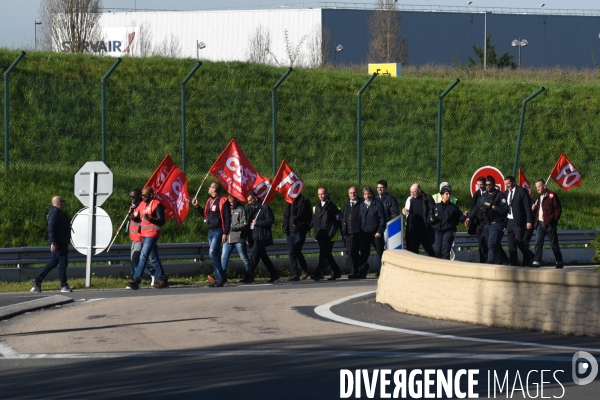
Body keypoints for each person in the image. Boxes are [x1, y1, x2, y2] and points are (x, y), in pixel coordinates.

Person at [126, 187, 169, 289]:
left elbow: (161, 221)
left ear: (151, 195)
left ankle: (136, 280)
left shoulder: (157, 205)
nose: (142, 197)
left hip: (152, 234)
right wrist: (134, 218)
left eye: (144, 195)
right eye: (142, 195)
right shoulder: (142, 204)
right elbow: (140, 218)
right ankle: (163, 279)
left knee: (143, 256)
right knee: (154, 259)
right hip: (144, 235)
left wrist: (149, 218)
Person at [192, 182, 231, 287]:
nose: (209, 188)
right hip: (210, 230)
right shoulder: (209, 200)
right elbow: (206, 215)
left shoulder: (223, 201)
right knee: (216, 254)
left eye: (210, 186)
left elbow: (227, 218)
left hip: (218, 230)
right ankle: (219, 277)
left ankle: (220, 277)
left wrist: (225, 232)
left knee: (212, 253)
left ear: (215, 189)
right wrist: (197, 207)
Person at [31, 196, 72, 293]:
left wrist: (67, 241)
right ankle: (64, 286)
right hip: (59, 244)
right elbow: (51, 229)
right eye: (63, 201)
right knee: (63, 264)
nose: (64, 203)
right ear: (58, 203)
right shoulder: (55, 213)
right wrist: (53, 242)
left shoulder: (58, 213)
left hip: (62, 242)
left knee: (53, 263)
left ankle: (37, 280)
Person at [465, 176, 509, 265]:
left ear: (493, 185)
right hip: (486, 224)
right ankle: (498, 262)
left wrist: (495, 208)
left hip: (496, 223)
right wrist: (469, 218)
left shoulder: (500, 195)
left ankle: (490, 262)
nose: (488, 186)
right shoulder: (483, 196)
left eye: (490, 185)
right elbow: (476, 209)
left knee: (491, 243)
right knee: (491, 245)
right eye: (486, 185)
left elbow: (505, 209)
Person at [241, 191, 280, 283]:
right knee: (264, 257)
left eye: (250, 200)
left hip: (262, 237)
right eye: (248, 201)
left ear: (255, 198)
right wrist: (247, 237)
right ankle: (274, 274)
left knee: (253, 256)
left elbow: (270, 220)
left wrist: (258, 223)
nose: (249, 202)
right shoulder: (249, 208)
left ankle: (249, 276)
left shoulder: (264, 207)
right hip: (253, 236)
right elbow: (248, 224)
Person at [126, 188, 156, 289]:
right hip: (133, 237)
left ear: (139, 196)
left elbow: (143, 219)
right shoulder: (132, 207)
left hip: (140, 237)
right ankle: (134, 279)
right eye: (130, 197)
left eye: (133, 197)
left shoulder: (142, 206)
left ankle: (139, 279)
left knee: (136, 259)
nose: (131, 198)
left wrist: (136, 219)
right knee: (133, 260)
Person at [532, 179, 564, 268]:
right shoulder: (538, 197)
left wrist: (554, 220)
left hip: (549, 223)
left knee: (554, 244)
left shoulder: (552, 195)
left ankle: (559, 261)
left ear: (544, 186)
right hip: (540, 223)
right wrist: (533, 209)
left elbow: (558, 209)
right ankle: (536, 261)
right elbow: (536, 210)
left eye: (539, 187)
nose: (537, 189)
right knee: (538, 243)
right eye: (536, 187)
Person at [312, 187, 341, 281]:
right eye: (319, 194)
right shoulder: (317, 206)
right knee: (327, 254)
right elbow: (315, 221)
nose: (321, 196)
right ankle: (337, 271)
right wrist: (315, 232)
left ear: (327, 194)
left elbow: (336, 222)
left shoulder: (332, 206)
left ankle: (317, 273)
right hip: (320, 234)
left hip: (327, 235)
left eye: (323, 194)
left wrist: (330, 234)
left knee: (323, 255)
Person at [504, 176, 534, 267]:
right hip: (509, 221)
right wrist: (504, 224)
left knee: (519, 241)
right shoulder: (506, 193)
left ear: (513, 182)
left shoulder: (521, 191)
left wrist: (529, 221)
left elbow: (527, 207)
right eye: (505, 184)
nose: (507, 186)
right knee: (511, 244)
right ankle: (514, 264)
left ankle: (530, 256)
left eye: (508, 183)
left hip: (519, 221)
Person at [220, 194, 251, 285]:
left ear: (236, 201)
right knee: (224, 258)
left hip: (238, 238)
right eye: (229, 203)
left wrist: (233, 227)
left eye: (232, 202)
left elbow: (245, 224)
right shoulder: (226, 210)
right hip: (228, 239)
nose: (230, 204)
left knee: (244, 258)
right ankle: (221, 277)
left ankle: (249, 275)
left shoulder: (241, 210)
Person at [283, 192, 313, 281]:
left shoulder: (304, 202)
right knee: (291, 252)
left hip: (299, 231)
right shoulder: (288, 201)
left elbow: (309, 217)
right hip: (289, 230)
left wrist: (303, 226)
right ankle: (295, 274)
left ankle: (304, 269)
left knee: (297, 250)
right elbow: (286, 216)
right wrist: (285, 226)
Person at [358, 186, 385, 277]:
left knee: (380, 252)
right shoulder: (362, 205)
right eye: (365, 194)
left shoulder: (377, 204)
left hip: (375, 233)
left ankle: (384, 270)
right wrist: (360, 231)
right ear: (363, 195)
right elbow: (360, 219)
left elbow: (382, 219)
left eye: (369, 193)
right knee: (364, 253)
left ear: (372, 194)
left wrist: (379, 231)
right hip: (365, 234)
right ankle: (362, 271)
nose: (367, 195)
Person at [430, 186, 464, 259]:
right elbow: (430, 216)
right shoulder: (436, 207)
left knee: (445, 250)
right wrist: (431, 219)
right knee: (437, 250)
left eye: (449, 194)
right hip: (438, 231)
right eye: (447, 194)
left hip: (448, 231)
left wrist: (465, 218)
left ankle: (445, 267)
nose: (449, 196)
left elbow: (460, 216)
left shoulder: (453, 207)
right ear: (442, 195)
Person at [402, 183, 436, 257]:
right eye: (411, 192)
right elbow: (411, 213)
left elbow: (432, 210)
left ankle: (436, 263)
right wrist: (406, 211)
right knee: (413, 250)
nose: (412, 194)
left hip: (424, 228)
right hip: (414, 228)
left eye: (414, 192)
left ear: (419, 190)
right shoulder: (411, 200)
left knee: (428, 248)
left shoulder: (427, 198)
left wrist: (430, 219)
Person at [341, 186, 363, 279]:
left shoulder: (361, 204)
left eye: (354, 192)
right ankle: (360, 268)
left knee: (355, 252)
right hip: (348, 233)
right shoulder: (346, 205)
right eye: (351, 193)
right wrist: (344, 232)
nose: (352, 194)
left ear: (357, 193)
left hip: (358, 232)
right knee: (351, 253)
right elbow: (344, 219)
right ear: (348, 194)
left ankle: (355, 271)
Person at [469, 176, 488, 263]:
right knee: (481, 243)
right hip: (478, 224)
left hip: (487, 222)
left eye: (482, 184)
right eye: (478, 184)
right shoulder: (476, 195)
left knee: (488, 243)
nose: (480, 186)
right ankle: (483, 261)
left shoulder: (489, 194)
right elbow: (473, 208)